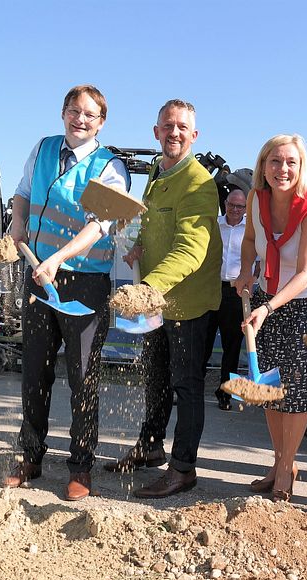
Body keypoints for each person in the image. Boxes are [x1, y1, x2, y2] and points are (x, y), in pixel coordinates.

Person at [3, 85, 130, 501]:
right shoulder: (42, 149)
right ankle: (31, 456)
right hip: (37, 277)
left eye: (89, 115)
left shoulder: (110, 167)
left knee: (82, 376)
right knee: (35, 370)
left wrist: (57, 258)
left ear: (101, 122)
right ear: (63, 113)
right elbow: (22, 194)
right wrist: (17, 222)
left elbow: (98, 227)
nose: (80, 119)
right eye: (74, 111)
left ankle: (80, 466)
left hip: (83, 282)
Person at [104, 99, 222, 499]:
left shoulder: (199, 182)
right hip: (156, 299)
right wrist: (137, 243)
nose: (174, 133)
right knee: (155, 377)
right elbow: (153, 219)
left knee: (186, 386)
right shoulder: (157, 169)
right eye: (167, 126)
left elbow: (192, 248)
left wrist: (147, 288)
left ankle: (183, 468)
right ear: (156, 131)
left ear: (194, 135)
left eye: (182, 127)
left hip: (186, 302)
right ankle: (149, 446)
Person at [233, 134, 307, 502]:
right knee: (270, 391)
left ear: (301, 166)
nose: (283, 169)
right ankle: (282, 464)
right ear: (264, 164)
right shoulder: (255, 198)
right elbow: (249, 239)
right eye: (275, 161)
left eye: (291, 162)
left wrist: (267, 306)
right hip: (268, 297)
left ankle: (285, 470)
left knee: (296, 393)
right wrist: (247, 270)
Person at [205, 172, 251, 412]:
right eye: (232, 205)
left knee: (232, 347)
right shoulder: (215, 225)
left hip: (236, 294)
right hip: (211, 289)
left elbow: (258, 261)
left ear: (246, 208)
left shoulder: (250, 230)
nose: (235, 209)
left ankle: (225, 394)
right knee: (202, 342)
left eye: (240, 206)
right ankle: (188, 390)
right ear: (225, 205)